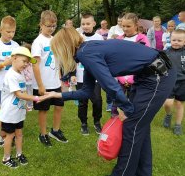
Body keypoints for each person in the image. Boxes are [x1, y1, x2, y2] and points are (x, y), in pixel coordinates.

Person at [43, 27, 176, 176]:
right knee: (139, 126)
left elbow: (109, 84)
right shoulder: (87, 52)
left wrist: (125, 107)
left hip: (158, 75)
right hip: (146, 77)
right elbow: (86, 91)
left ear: (64, 47)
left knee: (132, 126)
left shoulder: (86, 52)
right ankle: (144, 172)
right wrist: (57, 95)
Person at [0, 46, 46, 168]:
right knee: (10, 136)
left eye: (27, 62)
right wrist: (35, 98)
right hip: (9, 113)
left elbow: (22, 91)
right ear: (14, 58)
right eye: (24, 61)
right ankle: (6, 158)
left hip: (18, 112)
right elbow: (19, 94)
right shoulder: (11, 75)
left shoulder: (20, 73)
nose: (26, 64)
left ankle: (19, 154)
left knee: (19, 134)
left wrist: (25, 105)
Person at [32, 10, 67, 147]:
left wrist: (59, 79)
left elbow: (57, 61)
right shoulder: (38, 42)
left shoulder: (54, 40)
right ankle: (43, 133)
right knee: (44, 110)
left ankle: (55, 130)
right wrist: (40, 85)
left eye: (54, 26)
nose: (51, 29)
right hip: (42, 84)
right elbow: (35, 65)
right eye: (48, 26)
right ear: (41, 25)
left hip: (55, 82)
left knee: (59, 106)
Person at [0, 16, 19, 146]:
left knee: (14, 110)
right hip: (2, 86)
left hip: (15, 85)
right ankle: (2, 137)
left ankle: (11, 135)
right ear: (1, 30)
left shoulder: (16, 45)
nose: (11, 34)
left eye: (13, 32)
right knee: (4, 112)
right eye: (8, 32)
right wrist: (3, 64)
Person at [74, 13, 103, 135]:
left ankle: (97, 122)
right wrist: (72, 74)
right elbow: (73, 57)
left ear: (94, 24)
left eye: (88, 23)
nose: (85, 26)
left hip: (95, 76)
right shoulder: (78, 38)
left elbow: (102, 56)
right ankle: (83, 124)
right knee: (82, 102)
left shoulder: (99, 38)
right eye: (83, 24)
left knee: (97, 100)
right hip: (81, 76)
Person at [116, 13, 150, 98]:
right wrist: (121, 78)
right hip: (121, 78)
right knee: (120, 105)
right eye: (123, 26)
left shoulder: (143, 39)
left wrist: (132, 78)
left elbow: (145, 60)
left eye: (128, 26)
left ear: (136, 25)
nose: (125, 29)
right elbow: (115, 60)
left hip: (137, 79)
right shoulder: (118, 40)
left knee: (134, 106)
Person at [162, 29, 185, 135]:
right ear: (170, 40)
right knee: (167, 103)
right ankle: (168, 115)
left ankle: (178, 125)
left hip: (182, 83)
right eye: (174, 40)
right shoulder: (165, 53)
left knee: (179, 104)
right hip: (169, 81)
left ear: (184, 42)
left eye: (179, 40)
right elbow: (159, 66)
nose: (176, 42)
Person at [21, 42, 34, 111]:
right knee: (23, 93)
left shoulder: (32, 60)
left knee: (30, 93)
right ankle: (24, 105)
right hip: (23, 80)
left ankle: (30, 105)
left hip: (30, 81)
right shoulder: (21, 60)